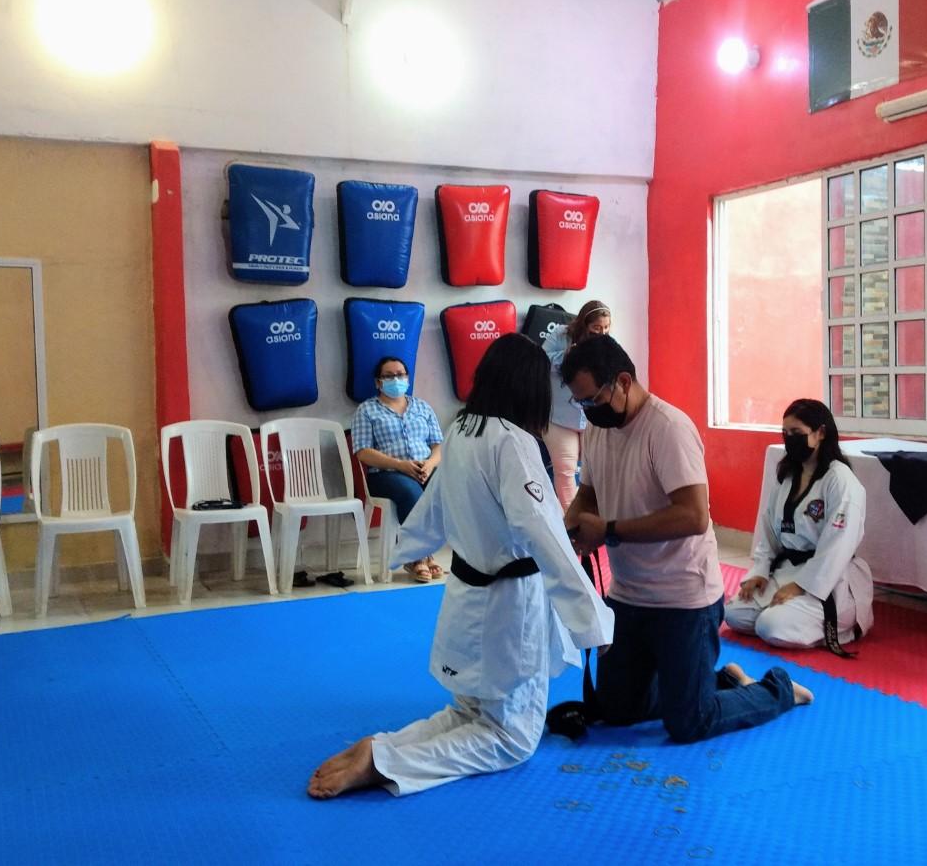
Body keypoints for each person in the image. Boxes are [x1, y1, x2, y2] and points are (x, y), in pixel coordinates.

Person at [308, 334, 614, 799]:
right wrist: (594, 622)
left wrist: (407, 548)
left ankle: (385, 745)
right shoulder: (514, 442)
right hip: (511, 607)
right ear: (530, 388)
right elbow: (546, 538)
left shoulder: (463, 430)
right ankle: (387, 761)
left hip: (468, 595)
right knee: (511, 738)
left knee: (471, 712)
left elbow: (435, 506)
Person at [561, 335, 811, 745]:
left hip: (684, 600)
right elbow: (588, 492)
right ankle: (714, 682)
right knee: (618, 711)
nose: (589, 409)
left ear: (623, 382)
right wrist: (568, 530)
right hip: (628, 596)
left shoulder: (668, 429)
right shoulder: (599, 430)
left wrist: (608, 530)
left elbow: (694, 517)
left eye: (593, 398)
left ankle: (778, 689)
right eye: (581, 402)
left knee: (690, 723)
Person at [725, 399, 873, 653]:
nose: (790, 439)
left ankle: (838, 626)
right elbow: (769, 532)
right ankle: (788, 615)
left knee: (770, 626)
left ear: (820, 433)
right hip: (788, 569)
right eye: (785, 433)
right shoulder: (788, 477)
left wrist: (801, 586)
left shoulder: (840, 480)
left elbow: (838, 545)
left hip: (828, 580)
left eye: (797, 432)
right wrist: (760, 571)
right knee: (734, 614)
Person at [351, 356, 444, 582]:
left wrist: (429, 465)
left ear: (408, 379)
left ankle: (426, 552)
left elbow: (438, 446)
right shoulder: (367, 410)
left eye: (401, 375)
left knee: (447, 487)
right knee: (411, 492)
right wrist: (400, 465)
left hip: (425, 469)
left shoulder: (422, 407)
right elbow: (363, 452)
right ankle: (418, 556)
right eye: (389, 376)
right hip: (386, 475)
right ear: (378, 382)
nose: (396, 379)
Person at [542, 300, 611, 513]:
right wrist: (566, 356)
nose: (601, 332)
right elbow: (540, 361)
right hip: (560, 417)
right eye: (596, 327)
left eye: (606, 327)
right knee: (565, 470)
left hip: (592, 416)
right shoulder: (561, 334)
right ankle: (572, 521)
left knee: (597, 469)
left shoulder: (606, 343)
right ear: (584, 323)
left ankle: (597, 516)